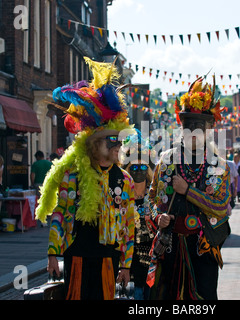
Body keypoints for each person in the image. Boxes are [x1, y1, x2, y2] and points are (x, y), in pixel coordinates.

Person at [35, 58, 136, 300]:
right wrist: (52, 255)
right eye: (111, 141)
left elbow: (129, 223)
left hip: (109, 259)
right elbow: (60, 213)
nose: (117, 145)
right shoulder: (73, 176)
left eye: (119, 140)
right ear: (94, 145)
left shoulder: (124, 179)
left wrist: (126, 264)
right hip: (77, 255)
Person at [147, 76, 231, 300]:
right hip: (170, 246)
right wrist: (159, 217)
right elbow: (151, 199)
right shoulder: (166, 160)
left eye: (198, 126)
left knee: (204, 297)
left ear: (209, 129)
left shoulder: (218, 165)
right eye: (187, 125)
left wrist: (188, 191)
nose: (192, 130)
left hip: (203, 247)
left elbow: (221, 207)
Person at [121, 132, 155, 300]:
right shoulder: (123, 195)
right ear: (128, 170)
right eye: (134, 167)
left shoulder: (154, 195)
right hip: (129, 255)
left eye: (143, 167)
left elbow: (159, 220)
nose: (139, 171)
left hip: (150, 255)